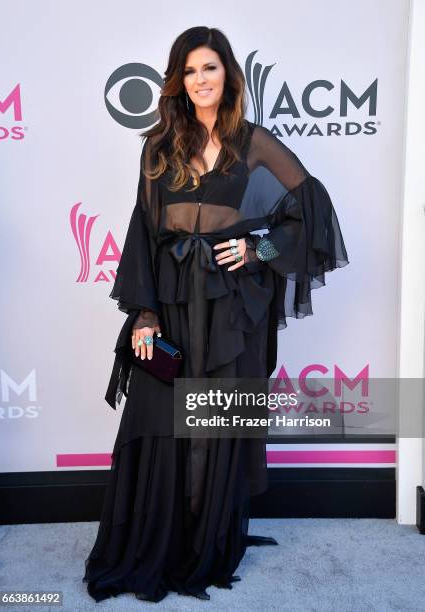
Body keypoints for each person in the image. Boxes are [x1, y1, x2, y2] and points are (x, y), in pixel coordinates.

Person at [83, 25, 349, 603]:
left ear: (228, 74)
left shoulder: (254, 144)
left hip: (231, 311)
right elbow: (145, 235)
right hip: (172, 304)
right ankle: (163, 537)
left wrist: (259, 250)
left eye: (211, 68)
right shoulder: (158, 146)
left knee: (214, 426)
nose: (200, 80)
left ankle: (207, 541)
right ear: (177, 80)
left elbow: (311, 219)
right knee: (162, 416)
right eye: (190, 70)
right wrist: (144, 314)